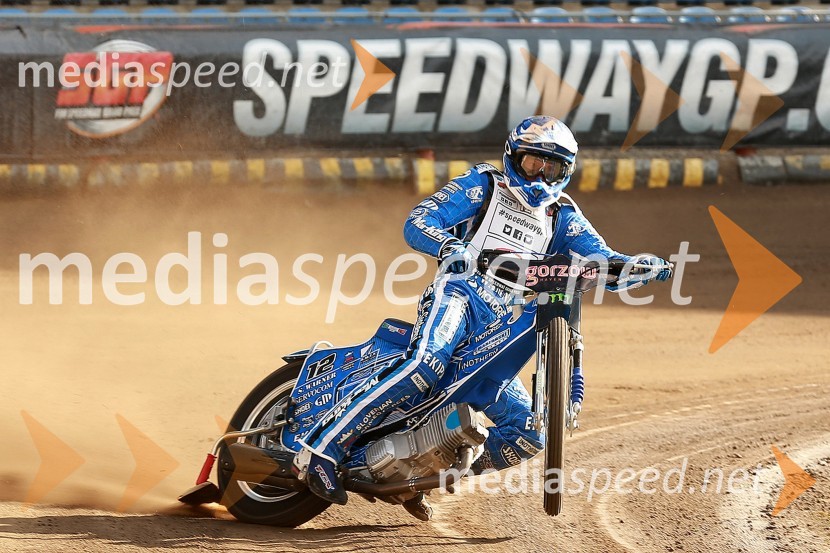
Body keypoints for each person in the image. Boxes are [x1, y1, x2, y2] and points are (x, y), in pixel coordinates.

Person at [294, 115, 672, 519]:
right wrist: (449, 246)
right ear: (513, 156)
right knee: (426, 363)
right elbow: (419, 221)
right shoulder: (485, 183)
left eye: (553, 167)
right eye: (533, 162)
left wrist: (636, 266)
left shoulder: (563, 213)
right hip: (460, 294)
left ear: (567, 171)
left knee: (530, 434)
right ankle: (321, 450)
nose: (541, 175)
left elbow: (601, 260)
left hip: (503, 327)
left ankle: (421, 476)